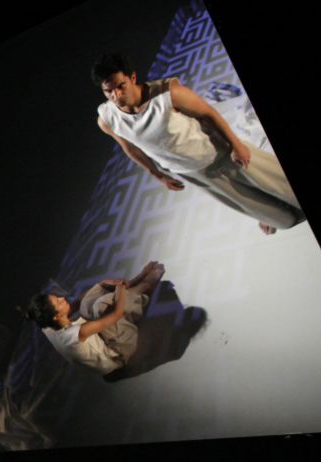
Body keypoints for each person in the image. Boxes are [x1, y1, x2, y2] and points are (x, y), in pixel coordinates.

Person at [93, 53, 303, 235]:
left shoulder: (168, 93)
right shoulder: (107, 119)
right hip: (192, 173)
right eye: (108, 91)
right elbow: (129, 147)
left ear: (132, 77)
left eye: (121, 86)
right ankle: (270, 216)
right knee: (280, 218)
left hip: (219, 153)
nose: (116, 95)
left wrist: (236, 145)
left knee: (282, 185)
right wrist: (158, 175)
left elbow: (208, 114)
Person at [26, 261, 165, 375]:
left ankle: (135, 283)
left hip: (100, 338)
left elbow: (78, 302)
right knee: (103, 304)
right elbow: (116, 314)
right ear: (56, 316)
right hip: (117, 353)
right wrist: (120, 291)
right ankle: (145, 287)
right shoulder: (74, 334)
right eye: (58, 302)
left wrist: (101, 284)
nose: (62, 298)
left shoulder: (47, 325)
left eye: (57, 297)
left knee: (87, 304)